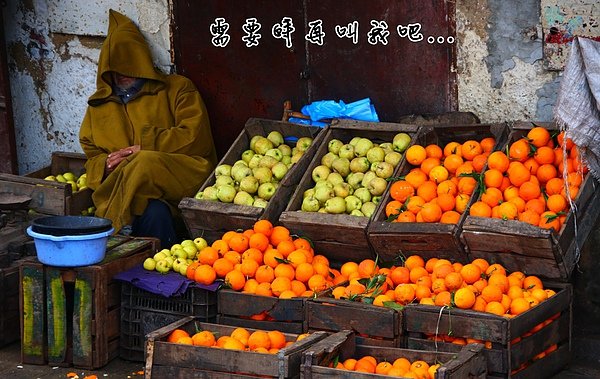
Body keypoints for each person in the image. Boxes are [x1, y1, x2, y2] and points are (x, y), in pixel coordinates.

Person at [79, 9, 217, 248]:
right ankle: (131, 251)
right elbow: (91, 155)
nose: (122, 74)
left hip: (183, 174)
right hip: (137, 194)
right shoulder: (98, 106)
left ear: (142, 60)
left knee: (143, 162)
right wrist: (105, 164)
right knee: (154, 212)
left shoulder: (178, 89)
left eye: (129, 65)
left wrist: (144, 146)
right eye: (115, 69)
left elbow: (196, 137)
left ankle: (107, 230)